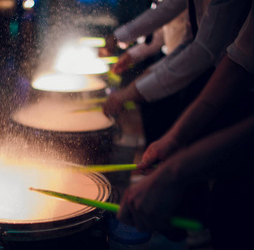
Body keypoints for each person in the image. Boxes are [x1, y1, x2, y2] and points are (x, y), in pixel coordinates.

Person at [117, 1, 254, 250]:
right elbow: (239, 58)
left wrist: (175, 171)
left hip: (223, 90)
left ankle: (185, 232)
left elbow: (207, 49)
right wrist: (176, 140)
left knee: (238, 234)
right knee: (227, 224)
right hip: (213, 79)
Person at [102, 0, 250, 144]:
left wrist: (131, 91)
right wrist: (137, 75)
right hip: (192, 71)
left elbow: (204, 51)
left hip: (230, 85)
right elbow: (185, 41)